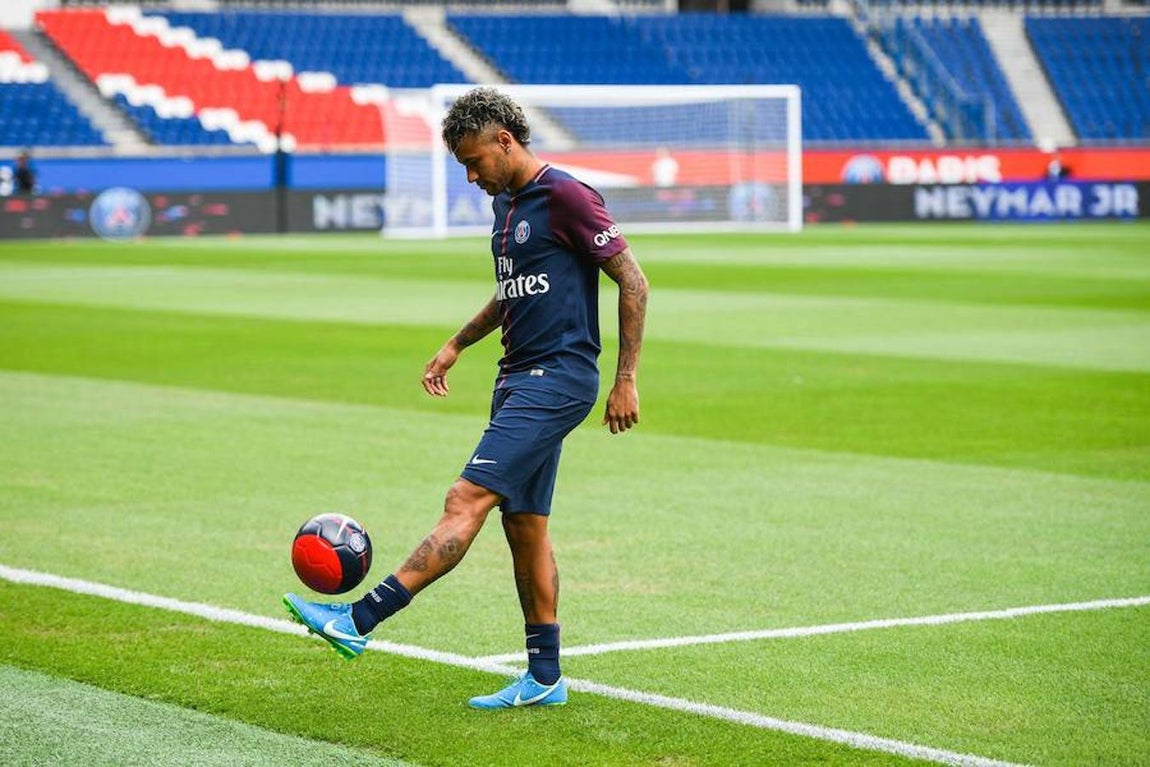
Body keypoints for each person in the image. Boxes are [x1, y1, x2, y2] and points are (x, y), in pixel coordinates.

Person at [284, 87, 649, 709]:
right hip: (516, 377)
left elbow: (633, 281)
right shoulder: (506, 208)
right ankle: (544, 677)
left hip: (557, 379)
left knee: (466, 497)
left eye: (474, 162)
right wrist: (457, 344)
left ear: (505, 141)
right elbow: (514, 293)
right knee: (525, 526)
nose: (471, 175)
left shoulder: (566, 196)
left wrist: (624, 378)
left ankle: (357, 621)